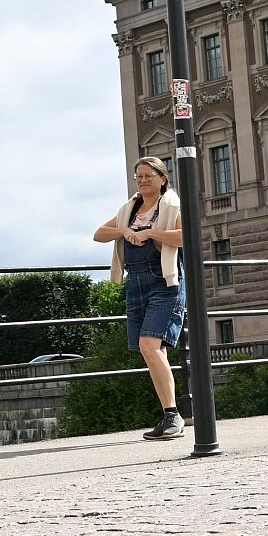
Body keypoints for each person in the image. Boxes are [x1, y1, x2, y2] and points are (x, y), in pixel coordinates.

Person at [94, 156, 187, 441]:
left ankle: (173, 415)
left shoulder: (172, 206)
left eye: (149, 176)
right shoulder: (129, 209)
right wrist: (124, 231)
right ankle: (169, 415)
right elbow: (98, 234)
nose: (143, 180)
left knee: (149, 345)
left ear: (162, 179)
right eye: (139, 176)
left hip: (164, 281)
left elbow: (186, 237)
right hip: (135, 281)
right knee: (153, 350)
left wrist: (150, 233)